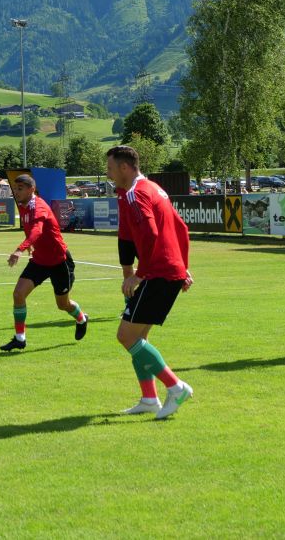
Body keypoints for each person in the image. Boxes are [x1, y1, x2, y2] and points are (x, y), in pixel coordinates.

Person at [107, 146, 194, 420]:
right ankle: (149, 398)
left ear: (124, 168)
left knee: (126, 336)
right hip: (166, 270)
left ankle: (176, 386)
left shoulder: (137, 193)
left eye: (110, 168)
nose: (107, 174)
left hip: (157, 273)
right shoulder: (152, 189)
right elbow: (181, 227)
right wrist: (183, 266)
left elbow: (150, 233)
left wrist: (139, 273)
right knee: (139, 338)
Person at [0, 174, 89, 352]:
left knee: (63, 305)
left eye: (20, 189)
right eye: (15, 189)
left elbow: (37, 230)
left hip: (59, 261)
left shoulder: (39, 206)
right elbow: (29, 230)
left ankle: (81, 318)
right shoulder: (24, 206)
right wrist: (30, 246)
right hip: (40, 261)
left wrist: (20, 249)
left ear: (31, 189)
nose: (16, 192)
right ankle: (20, 339)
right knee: (18, 295)